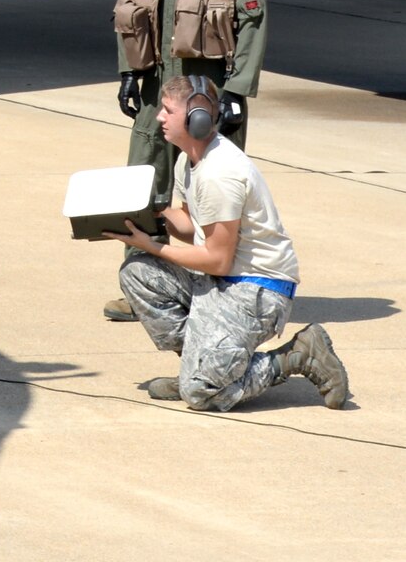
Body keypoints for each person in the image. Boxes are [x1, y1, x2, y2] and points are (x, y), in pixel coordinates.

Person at [107, 75, 349, 411]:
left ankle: (297, 355)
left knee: (201, 394)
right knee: (138, 273)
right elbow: (193, 228)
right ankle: (203, 364)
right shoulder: (188, 160)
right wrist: (151, 213)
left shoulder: (220, 174)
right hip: (224, 281)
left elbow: (217, 259)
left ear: (197, 121)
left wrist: (152, 245)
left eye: (167, 110)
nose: (159, 117)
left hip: (256, 291)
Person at [105, 0, 267, 321]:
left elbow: (252, 19)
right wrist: (131, 71)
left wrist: (237, 89)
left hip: (208, 87)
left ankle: (218, 281)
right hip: (159, 83)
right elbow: (132, 6)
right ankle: (144, 282)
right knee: (145, 180)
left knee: (212, 187)